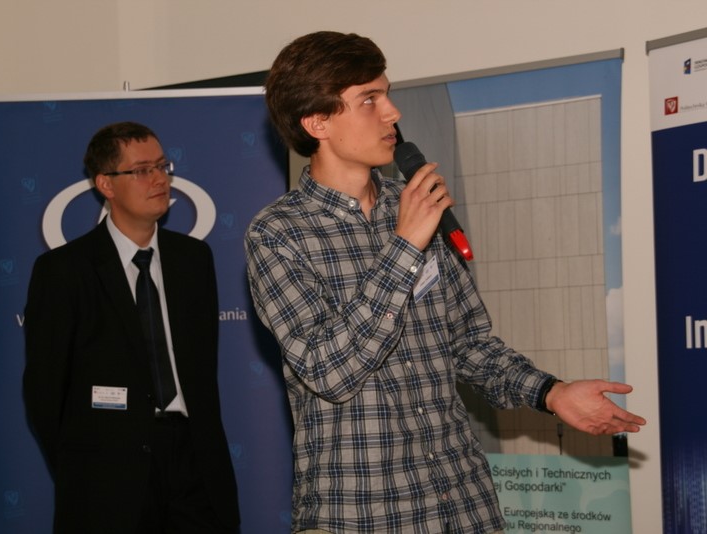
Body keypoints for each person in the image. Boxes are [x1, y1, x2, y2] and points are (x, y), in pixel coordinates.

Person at [244, 31, 646, 534]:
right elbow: (331, 372)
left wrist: (552, 393)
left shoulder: (415, 206)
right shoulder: (278, 233)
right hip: (363, 510)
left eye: (387, 95)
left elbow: (469, 344)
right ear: (317, 122)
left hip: (463, 500)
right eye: (369, 99)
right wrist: (404, 246)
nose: (392, 113)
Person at [23, 121, 239, 533]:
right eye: (141, 170)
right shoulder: (64, 270)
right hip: (107, 473)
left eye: (162, 166)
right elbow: (44, 391)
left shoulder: (194, 259)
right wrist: (84, 466)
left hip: (195, 464)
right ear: (106, 184)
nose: (159, 179)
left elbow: (202, 371)